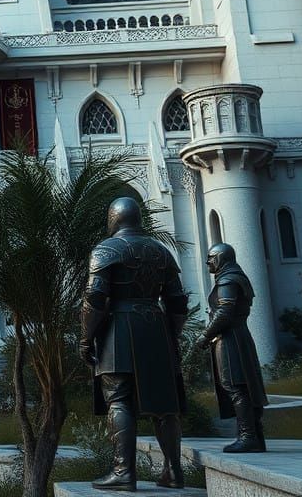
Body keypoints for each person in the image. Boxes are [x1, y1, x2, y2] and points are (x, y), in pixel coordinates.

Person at [80, 197, 189, 491]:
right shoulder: (160, 251)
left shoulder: (106, 250)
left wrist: (86, 338)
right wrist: (172, 335)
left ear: (114, 219)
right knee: (166, 405)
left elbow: (95, 300)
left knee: (119, 397)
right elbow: (178, 302)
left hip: (119, 327)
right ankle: (173, 470)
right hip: (156, 327)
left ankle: (123, 470)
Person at [190, 242, 269, 453]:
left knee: (236, 386)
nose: (208, 261)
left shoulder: (227, 279)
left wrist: (205, 336)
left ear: (221, 259)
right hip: (238, 336)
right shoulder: (235, 276)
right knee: (243, 386)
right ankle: (255, 435)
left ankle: (248, 436)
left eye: (211, 257)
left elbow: (224, 311)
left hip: (230, 339)